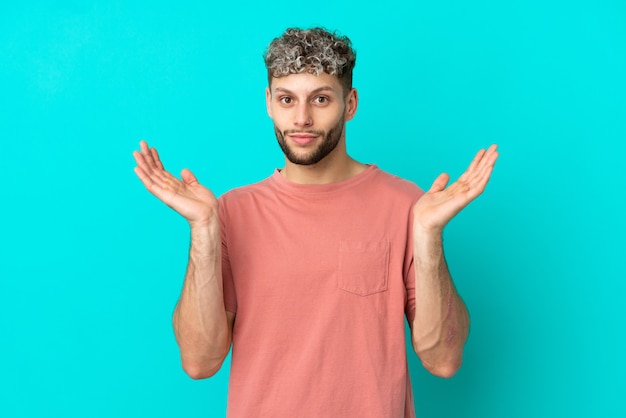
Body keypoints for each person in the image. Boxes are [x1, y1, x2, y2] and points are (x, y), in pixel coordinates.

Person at [133, 27, 498, 418]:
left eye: (320, 99)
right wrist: (204, 228)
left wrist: (428, 236)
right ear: (269, 103)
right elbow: (199, 362)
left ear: (350, 103)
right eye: (287, 99)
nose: (302, 119)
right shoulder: (232, 212)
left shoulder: (406, 204)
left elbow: (444, 359)